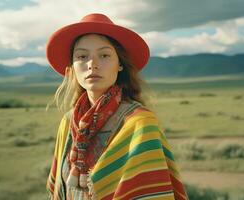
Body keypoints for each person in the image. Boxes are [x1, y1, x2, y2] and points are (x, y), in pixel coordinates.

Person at [45, 13, 188, 200]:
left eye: (104, 55)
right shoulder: (69, 121)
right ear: (72, 67)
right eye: (82, 56)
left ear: (120, 64)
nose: (92, 64)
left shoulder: (140, 122)